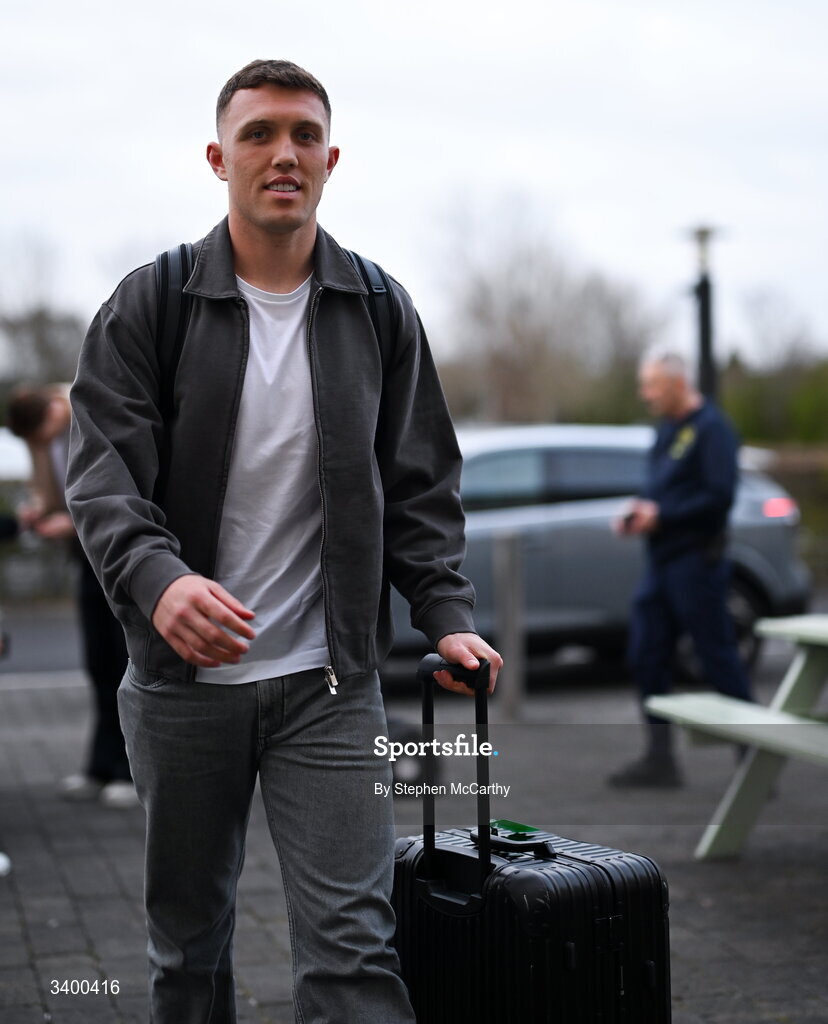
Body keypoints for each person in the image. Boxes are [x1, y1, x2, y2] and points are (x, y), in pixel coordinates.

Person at [66, 59, 501, 1024]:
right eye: (260, 134)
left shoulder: (380, 308)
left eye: (304, 135)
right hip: (182, 692)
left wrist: (446, 614)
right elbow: (99, 475)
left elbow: (420, 482)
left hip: (330, 687)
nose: (283, 154)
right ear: (220, 157)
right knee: (187, 950)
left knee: (354, 949)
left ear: (331, 159)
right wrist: (157, 579)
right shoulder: (153, 303)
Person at [607, 349, 752, 789]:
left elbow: (718, 497)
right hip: (661, 564)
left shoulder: (713, 430)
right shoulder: (668, 430)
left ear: (676, 384)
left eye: (652, 386)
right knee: (646, 655)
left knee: (718, 660)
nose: (645, 394)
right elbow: (662, 490)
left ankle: (755, 762)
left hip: (697, 564)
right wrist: (641, 510)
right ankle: (659, 759)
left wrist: (663, 516)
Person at [6, 384, 135, 808]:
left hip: (118, 556)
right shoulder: (47, 439)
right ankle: (100, 766)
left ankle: (130, 772)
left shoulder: (93, 413)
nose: (40, 446)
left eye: (41, 437)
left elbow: (122, 491)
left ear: (54, 409)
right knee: (98, 664)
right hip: (86, 559)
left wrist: (72, 524)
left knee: (122, 664)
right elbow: (54, 491)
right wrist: (39, 512)